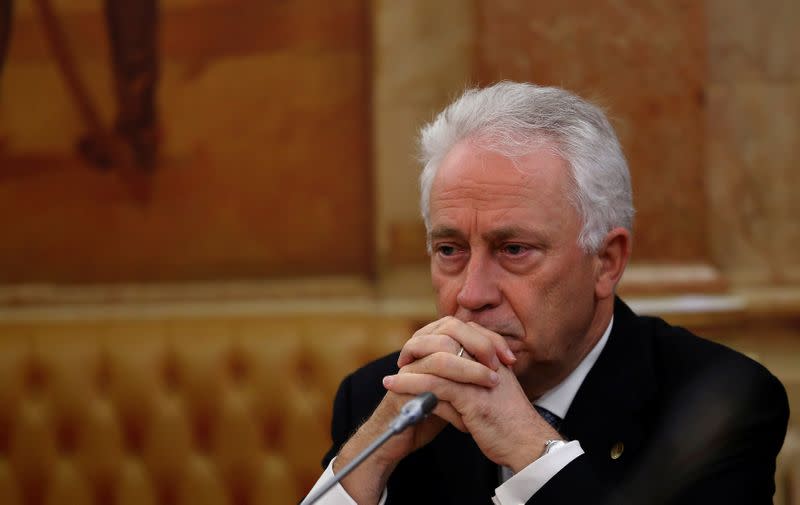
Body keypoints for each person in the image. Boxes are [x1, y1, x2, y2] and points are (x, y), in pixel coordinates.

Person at [304, 82, 789, 505]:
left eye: (514, 249)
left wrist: (531, 451)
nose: (472, 295)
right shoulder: (382, 398)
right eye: (449, 249)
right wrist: (371, 459)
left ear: (606, 261)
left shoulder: (718, 403)